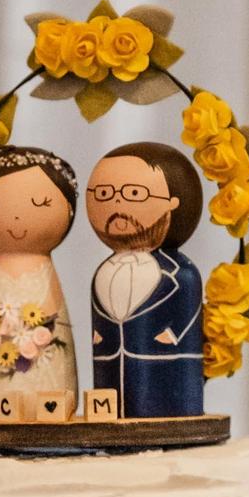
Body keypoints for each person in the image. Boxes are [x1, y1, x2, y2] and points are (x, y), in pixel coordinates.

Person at [86, 140, 205, 418]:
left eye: (134, 193)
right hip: (110, 379)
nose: (117, 202)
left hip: (169, 385)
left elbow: (186, 315)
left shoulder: (183, 274)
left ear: (175, 202)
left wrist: (171, 335)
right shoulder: (101, 273)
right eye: (104, 193)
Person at [0, 145, 79, 420]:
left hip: (49, 396)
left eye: (41, 203)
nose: (15, 217)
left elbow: (54, 316)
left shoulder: (43, 267)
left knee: (49, 366)